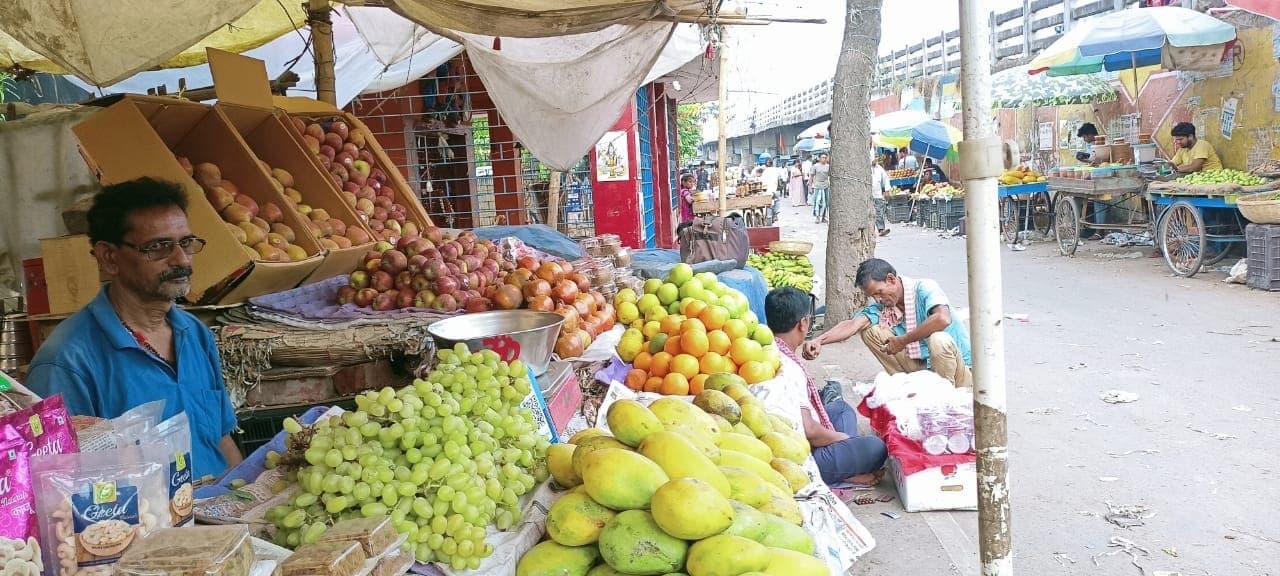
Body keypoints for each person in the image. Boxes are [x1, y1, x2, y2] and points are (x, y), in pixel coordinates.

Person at [26, 178, 243, 480]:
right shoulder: (66, 361)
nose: (181, 259)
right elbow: (58, 485)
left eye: (186, 243)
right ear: (109, 257)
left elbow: (220, 440)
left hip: (220, 519)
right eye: (158, 247)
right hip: (138, 524)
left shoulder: (195, 334)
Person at [766, 287, 888, 486]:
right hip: (799, 457)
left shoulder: (771, 349)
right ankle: (841, 471)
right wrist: (841, 438)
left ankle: (844, 464)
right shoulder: (788, 368)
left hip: (798, 438)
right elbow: (809, 430)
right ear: (803, 324)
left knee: (841, 410)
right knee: (876, 448)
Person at [803, 258, 972, 387]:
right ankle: (909, 385)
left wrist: (903, 340)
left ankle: (946, 395)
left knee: (938, 339)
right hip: (923, 367)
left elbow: (942, 318)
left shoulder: (924, 287)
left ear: (891, 279)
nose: (878, 299)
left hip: (957, 372)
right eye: (873, 296)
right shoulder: (883, 306)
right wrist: (818, 340)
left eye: (879, 292)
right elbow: (852, 325)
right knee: (870, 330)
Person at [1075, 123, 1109, 239]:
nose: (1085, 140)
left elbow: (1102, 161)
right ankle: (1079, 228)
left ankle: (1099, 231)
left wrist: (1089, 159)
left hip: (1102, 178)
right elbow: (1092, 161)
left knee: (1099, 200)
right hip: (1091, 176)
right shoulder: (1090, 145)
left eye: (1085, 137)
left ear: (1090, 135)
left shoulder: (1103, 144)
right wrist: (1084, 158)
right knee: (1077, 197)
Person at [872, 157, 892, 236]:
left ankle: (881, 229)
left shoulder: (879, 168)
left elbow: (886, 179)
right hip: (868, 195)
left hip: (877, 194)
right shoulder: (865, 168)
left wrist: (887, 190)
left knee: (879, 213)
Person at [811, 153, 831, 224]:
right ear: (819, 158)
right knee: (817, 201)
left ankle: (823, 217)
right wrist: (810, 187)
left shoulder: (828, 166)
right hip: (817, 185)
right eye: (823, 157)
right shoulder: (815, 166)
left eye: (825, 157)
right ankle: (817, 217)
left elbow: (830, 176)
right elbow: (811, 176)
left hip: (825, 185)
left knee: (826, 202)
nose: (824, 159)